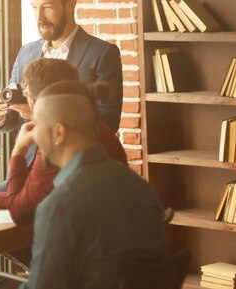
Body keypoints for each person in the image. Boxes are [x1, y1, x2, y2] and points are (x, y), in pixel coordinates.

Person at [21, 80, 166, 289]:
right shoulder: (141, 188)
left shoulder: (59, 208)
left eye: (37, 126)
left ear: (59, 133)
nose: (34, 136)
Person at [0, 0, 123, 189]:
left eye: (47, 7)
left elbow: (108, 120)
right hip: (28, 169)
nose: (39, 17)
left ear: (70, 5)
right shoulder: (26, 53)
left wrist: (46, 116)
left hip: (73, 172)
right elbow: (13, 119)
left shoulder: (102, 54)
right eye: (34, 7)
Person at [0, 58, 127, 225]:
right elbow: (40, 194)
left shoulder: (57, 140)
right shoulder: (95, 126)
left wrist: (19, 150)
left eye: (27, 93)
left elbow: (19, 211)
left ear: (34, 102)